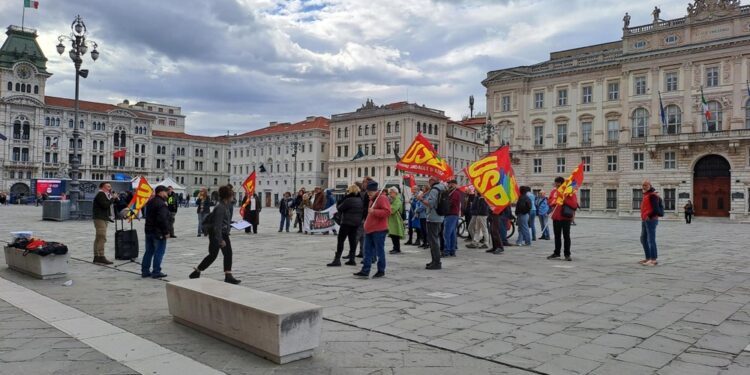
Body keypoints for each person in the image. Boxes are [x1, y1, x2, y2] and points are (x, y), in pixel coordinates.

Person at [189, 185, 241, 284]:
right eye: (232, 195)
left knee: (225, 254)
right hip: (217, 234)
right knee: (214, 255)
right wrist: (220, 240)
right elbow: (217, 225)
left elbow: (222, 221)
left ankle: (227, 275)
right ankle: (198, 271)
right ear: (228, 196)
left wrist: (233, 223)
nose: (233, 197)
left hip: (221, 232)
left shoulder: (224, 205)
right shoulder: (221, 207)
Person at [353, 180, 391, 278]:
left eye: (370, 192)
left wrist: (374, 211)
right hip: (369, 229)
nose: (368, 194)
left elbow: (387, 212)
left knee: (379, 251)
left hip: (379, 230)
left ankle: (381, 270)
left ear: (375, 190)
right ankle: (365, 270)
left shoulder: (382, 198)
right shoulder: (372, 199)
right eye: (367, 192)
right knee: (367, 251)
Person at [328, 185, 363, 266]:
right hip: (356, 223)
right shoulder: (360, 200)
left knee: (341, 240)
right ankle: (352, 259)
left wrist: (341, 201)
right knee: (352, 240)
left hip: (346, 222)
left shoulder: (348, 200)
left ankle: (337, 260)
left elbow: (339, 208)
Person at [142, 185, 171, 278]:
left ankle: (145, 271)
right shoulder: (162, 203)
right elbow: (162, 219)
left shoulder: (150, 202)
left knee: (149, 251)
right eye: (166, 192)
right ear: (161, 192)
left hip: (149, 230)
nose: (167, 194)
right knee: (159, 251)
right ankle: (156, 271)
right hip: (158, 232)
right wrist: (166, 232)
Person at [547, 177, 578, 261]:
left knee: (566, 236)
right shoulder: (554, 191)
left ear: (561, 183)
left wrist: (564, 200)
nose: (556, 185)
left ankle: (567, 254)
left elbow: (574, 204)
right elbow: (549, 201)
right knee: (557, 236)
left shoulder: (569, 192)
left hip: (565, 217)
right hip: (556, 217)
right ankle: (556, 253)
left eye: (557, 183)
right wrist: (555, 201)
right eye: (555, 183)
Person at [421, 177, 445, 270]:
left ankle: (436, 263)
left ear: (432, 181)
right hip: (440, 216)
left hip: (433, 217)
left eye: (429, 180)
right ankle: (434, 261)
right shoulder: (442, 187)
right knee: (435, 239)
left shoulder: (435, 190)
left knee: (433, 241)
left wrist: (421, 199)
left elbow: (430, 203)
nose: (428, 182)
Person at [92, 182, 115, 264]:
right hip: (100, 218)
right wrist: (113, 198)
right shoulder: (101, 194)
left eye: (110, 186)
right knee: (102, 237)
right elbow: (105, 205)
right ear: (102, 187)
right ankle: (101, 256)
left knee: (98, 238)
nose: (110, 188)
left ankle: (96, 256)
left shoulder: (104, 195)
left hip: (103, 218)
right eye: (108, 186)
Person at [640, 180, 660, 266]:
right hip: (644, 220)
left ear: (650, 185)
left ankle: (653, 259)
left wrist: (649, 216)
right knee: (643, 239)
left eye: (646, 185)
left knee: (651, 239)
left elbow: (656, 209)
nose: (644, 187)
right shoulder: (646, 195)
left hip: (651, 220)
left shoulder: (653, 195)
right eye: (643, 185)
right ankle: (648, 258)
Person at [443, 179, 460, 257]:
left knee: (447, 233)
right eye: (448, 184)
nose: (448, 185)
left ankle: (447, 251)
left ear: (454, 184)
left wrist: (445, 202)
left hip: (451, 214)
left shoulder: (455, 193)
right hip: (452, 214)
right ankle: (452, 251)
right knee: (452, 234)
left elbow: (451, 203)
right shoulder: (451, 192)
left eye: (450, 184)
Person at [387, 187, 405, 255]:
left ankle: (397, 248)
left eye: (391, 192)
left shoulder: (398, 199)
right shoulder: (392, 199)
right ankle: (395, 247)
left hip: (396, 219)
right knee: (392, 234)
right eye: (389, 192)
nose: (390, 194)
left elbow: (393, 209)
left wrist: (388, 206)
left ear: (395, 192)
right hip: (392, 219)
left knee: (395, 234)